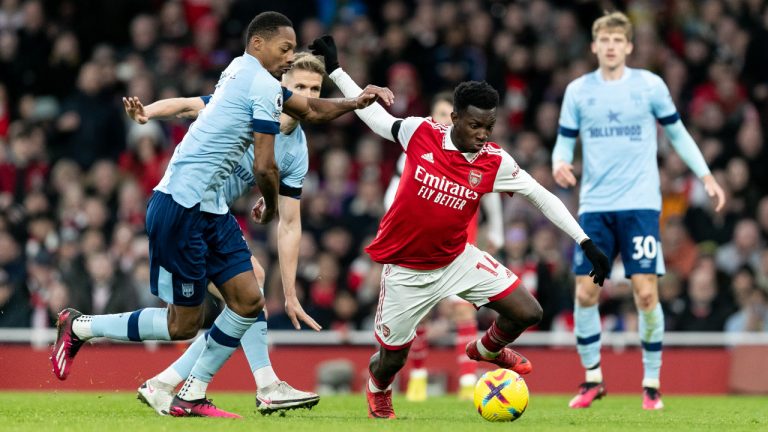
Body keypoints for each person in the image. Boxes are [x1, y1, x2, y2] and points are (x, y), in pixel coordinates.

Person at [50, 12, 392, 419]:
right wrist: (265, 203)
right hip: (180, 206)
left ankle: (195, 392)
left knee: (248, 299)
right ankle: (82, 328)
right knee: (183, 325)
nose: (289, 58)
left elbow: (313, 113)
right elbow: (264, 167)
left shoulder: (246, 77)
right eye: (285, 50)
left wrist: (356, 100)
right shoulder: (261, 86)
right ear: (258, 45)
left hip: (211, 211)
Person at [310, 35, 610, 419]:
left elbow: (541, 196)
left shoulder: (493, 161)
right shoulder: (420, 133)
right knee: (391, 359)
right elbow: (374, 117)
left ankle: (485, 351)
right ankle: (378, 388)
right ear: (453, 118)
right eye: (474, 126)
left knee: (527, 312)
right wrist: (335, 69)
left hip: (456, 259)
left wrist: (584, 241)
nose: (483, 135)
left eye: (489, 126)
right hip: (406, 270)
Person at [121, 52, 327, 416]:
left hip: (215, 218)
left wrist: (292, 293)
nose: (307, 95)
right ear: (282, 87)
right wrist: (148, 113)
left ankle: (169, 382)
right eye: (300, 87)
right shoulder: (247, 104)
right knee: (213, 310)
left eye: (315, 89)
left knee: (245, 297)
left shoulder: (297, 149)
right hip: (186, 210)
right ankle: (256, 384)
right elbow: (188, 106)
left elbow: (290, 224)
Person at [551, 12, 726, 410]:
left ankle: (651, 383)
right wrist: (561, 161)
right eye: (604, 40)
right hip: (595, 206)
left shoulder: (650, 86)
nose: (611, 46)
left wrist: (706, 176)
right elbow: (564, 140)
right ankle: (593, 378)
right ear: (594, 46)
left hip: (641, 205)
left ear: (629, 46)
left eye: (618, 40)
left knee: (646, 294)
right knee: (585, 292)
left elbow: (678, 132)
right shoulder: (579, 91)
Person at [386, 92, 505, 402]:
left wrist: (497, 231)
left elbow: (489, 190)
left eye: (446, 113)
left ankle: (467, 381)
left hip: (460, 243)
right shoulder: (416, 147)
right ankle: (418, 378)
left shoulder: (476, 153)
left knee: (463, 312)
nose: (441, 119)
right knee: (420, 315)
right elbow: (394, 194)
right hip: (420, 247)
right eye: (438, 113)